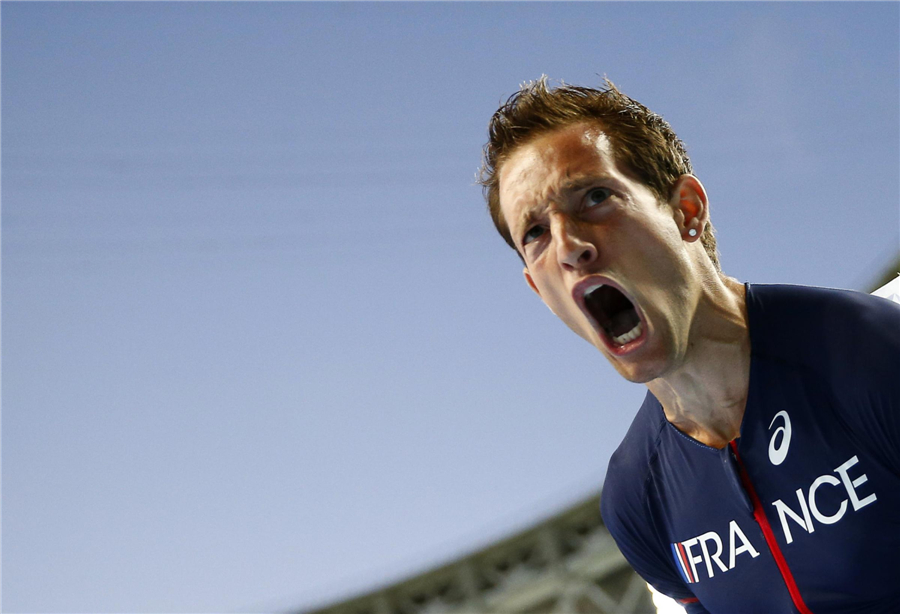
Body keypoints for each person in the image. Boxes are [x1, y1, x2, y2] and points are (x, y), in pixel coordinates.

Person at [478, 77, 900, 613]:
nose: (569, 245)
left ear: (686, 211)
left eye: (595, 197)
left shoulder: (870, 355)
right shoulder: (637, 496)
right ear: (540, 291)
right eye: (534, 232)